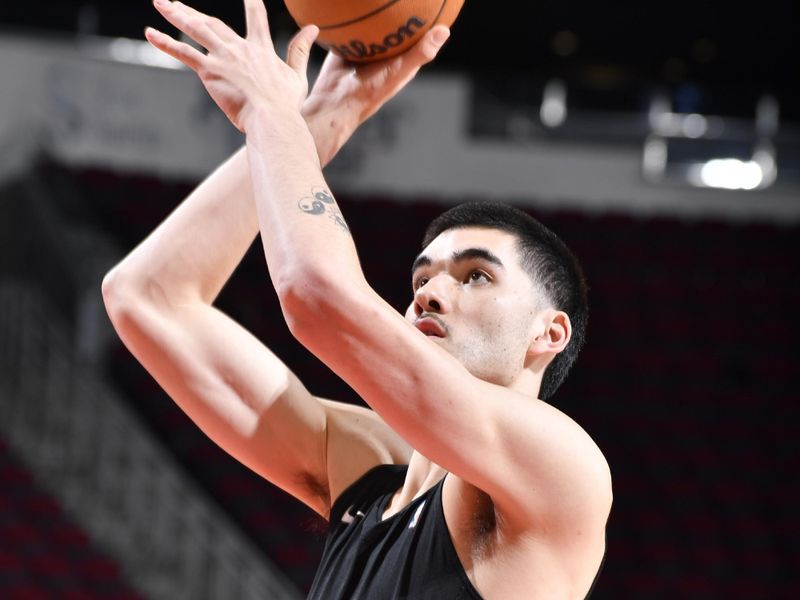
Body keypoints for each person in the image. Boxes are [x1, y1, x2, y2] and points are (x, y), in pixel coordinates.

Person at [102, 0, 613, 598]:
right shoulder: (367, 467)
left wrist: (274, 117)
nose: (431, 295)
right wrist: (323, 120)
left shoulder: (559, 468)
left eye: (476, 276)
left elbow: (317, 295)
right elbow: (148, 298)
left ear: (548, 333)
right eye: (420, 280)